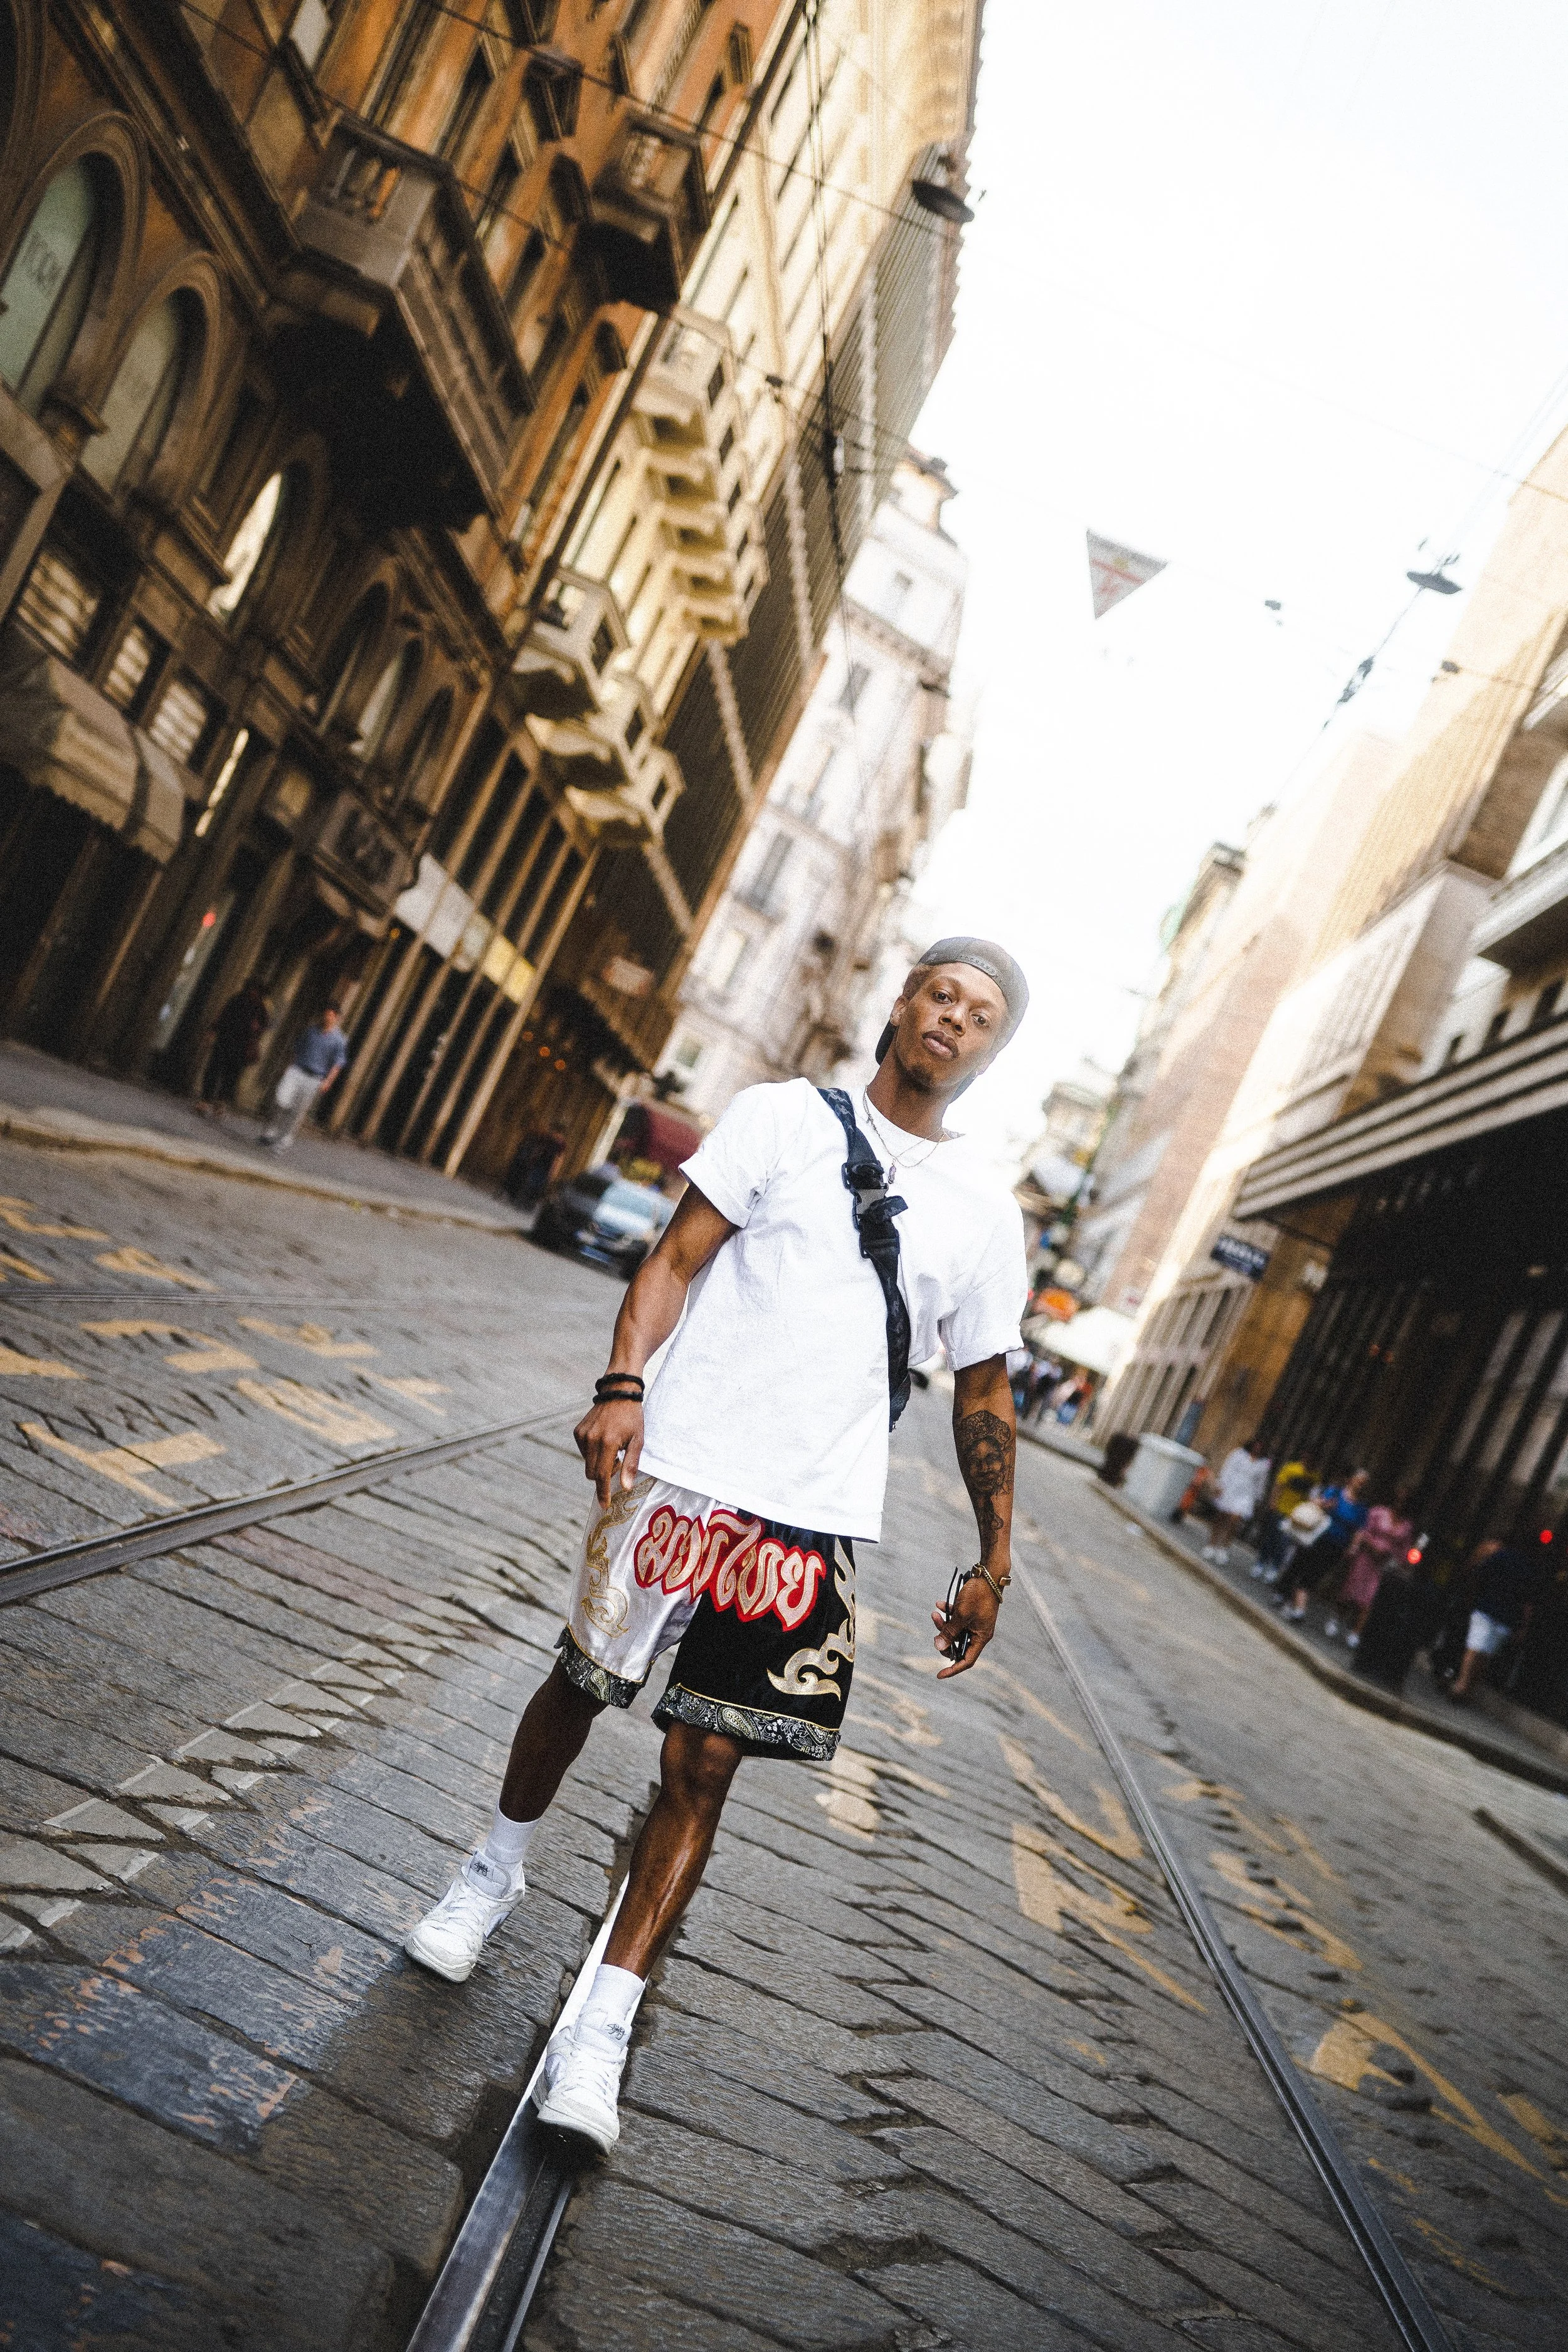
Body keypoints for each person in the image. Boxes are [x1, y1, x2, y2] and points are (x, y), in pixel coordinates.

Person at [402, 940, 1031, 2156]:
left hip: (807, 1515)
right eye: (938, 995)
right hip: (678, 1470)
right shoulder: (781, 1118)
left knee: (703, 1767)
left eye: (979, 1015)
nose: (952, 1019)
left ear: (990, 1051)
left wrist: (991, 1557)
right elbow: (674, 1257)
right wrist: (622, 1384)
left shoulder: (982, 1214)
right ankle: (492, 1871)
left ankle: (604, 2020)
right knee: (577, 1691)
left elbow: (983, 1399)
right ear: (897, 1007)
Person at [1450, 1536, 1544, 1702]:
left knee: (1473, 1648)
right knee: (1486, 1654)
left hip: (1486, 1607)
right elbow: (1528, 1603)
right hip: (1507, 1616)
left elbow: (1480, 1573)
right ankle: (1470, 1688)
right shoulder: (1530, 1570)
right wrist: (1523, 1627)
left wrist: (1471, 1595)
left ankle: (1462, 1684)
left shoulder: (1502, 1556)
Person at [1325, 1486, 1414, 1648]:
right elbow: (1364, 1531)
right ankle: (1337, 1618)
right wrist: (1370, 1545)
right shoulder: (1378, 1512)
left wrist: (1399, 1560)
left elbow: (1405, 1549)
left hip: (1383, 1566)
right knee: (1352, 1590)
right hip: (1366, 1558)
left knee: (1370, 1598)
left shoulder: (1407, 1526)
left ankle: (1356, 1633)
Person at [1281, 1469, 1369, 1621]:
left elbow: (1360, 1530)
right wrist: (1326, 1505)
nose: (1360, 1485)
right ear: (1352, 1479)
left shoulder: (1361, 1508)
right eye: (1359, 1481)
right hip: (1317, 1538)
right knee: (1300, 1567)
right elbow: (1317, 1503)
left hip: (1337, 1545)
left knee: (1315, 1575)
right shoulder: (1335, 1493)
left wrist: (1354, 1547)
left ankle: (1296, 1606)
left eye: (1364, 1484)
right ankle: (1295, 1606)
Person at [260, 1005, 348, 1148]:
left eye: (331, 1015)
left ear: (337, 1018)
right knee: (281, 1100)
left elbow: (338, 1064)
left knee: (297, 1110)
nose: (327, 1018)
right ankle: (270, 1131)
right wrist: (289, 1067)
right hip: (297, 1070)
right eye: (326, 1014)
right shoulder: (311, 1031)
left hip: (314, 1078)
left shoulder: (339, 1040)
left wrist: (328, 1081)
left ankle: (285, 1138)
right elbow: (298, 1048)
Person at [196, 980, 270, 1121]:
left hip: (241, 1048)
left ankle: (220, 1102)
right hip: (224, 1042)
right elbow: (223, 1016)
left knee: (230, 1077)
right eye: (251, 989)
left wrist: (258, 1029)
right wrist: (213, 1030)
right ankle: (205, 1100)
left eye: (256, 991)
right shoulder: (237, 1000)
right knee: (213, 1070)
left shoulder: (261, 1008)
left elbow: (264, 1026)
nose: (253, 993)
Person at [1202, 1434, 1272, 1565]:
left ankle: (1223, 1547)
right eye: (1257, 1444)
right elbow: (1227, 1469)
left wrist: (1258, 1498)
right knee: (1221, 1517)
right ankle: (1212, 1544)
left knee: (1234, 1521)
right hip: (1230, 1487)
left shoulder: (1264, 1464)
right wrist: (1220, 1486)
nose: (1258, 1448)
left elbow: (1261, 1482)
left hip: (1246, 1494)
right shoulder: (1239, 1454)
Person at [1253, 1451, 1313, 1581]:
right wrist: (1273, 1501)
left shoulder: (1314, 1476)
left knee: (1284, 1543)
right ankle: (1261, 1563)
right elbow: (1279, 1485)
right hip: (1281, 1509)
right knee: (1272, 1538)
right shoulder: (1291, 1468)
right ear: (1304, 1457)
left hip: (1296, 1515)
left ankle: (1274, 1567)